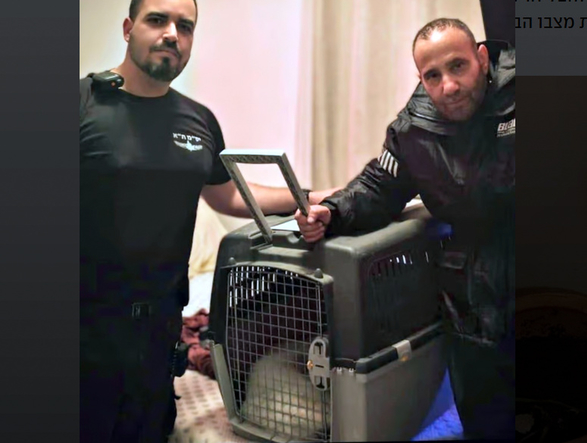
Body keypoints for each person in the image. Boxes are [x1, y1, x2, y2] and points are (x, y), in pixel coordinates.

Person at [79, 0, 337, 441]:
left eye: (185, 26)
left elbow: (227, 193)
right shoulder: (84, 103)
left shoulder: (198, 120)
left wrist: (307, 197)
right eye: (156, 20)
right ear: (128, 28)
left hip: (159, 329)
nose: (172, 33)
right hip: (87, 326)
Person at [296, 18, 515, 440]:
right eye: (433, 76)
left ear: (483, 58)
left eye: (458, 66)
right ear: (421, 79)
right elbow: (379, 187)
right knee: (487, 418)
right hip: (474, 293)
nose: (448, 86)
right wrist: (333, 211)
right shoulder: (413, 129)